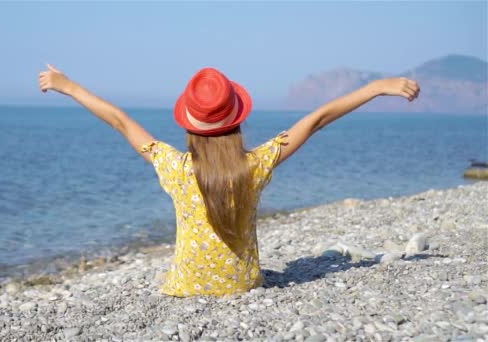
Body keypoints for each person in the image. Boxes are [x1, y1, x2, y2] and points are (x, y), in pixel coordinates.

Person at [38, 65, 420, 297]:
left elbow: (120, 121)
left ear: (189, 125)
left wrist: (67, 85)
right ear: (237, 120)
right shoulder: (254, 166)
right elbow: (317, 120)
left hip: (185, 289)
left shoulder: (175, 167)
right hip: (244, 284)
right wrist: (375, 87)